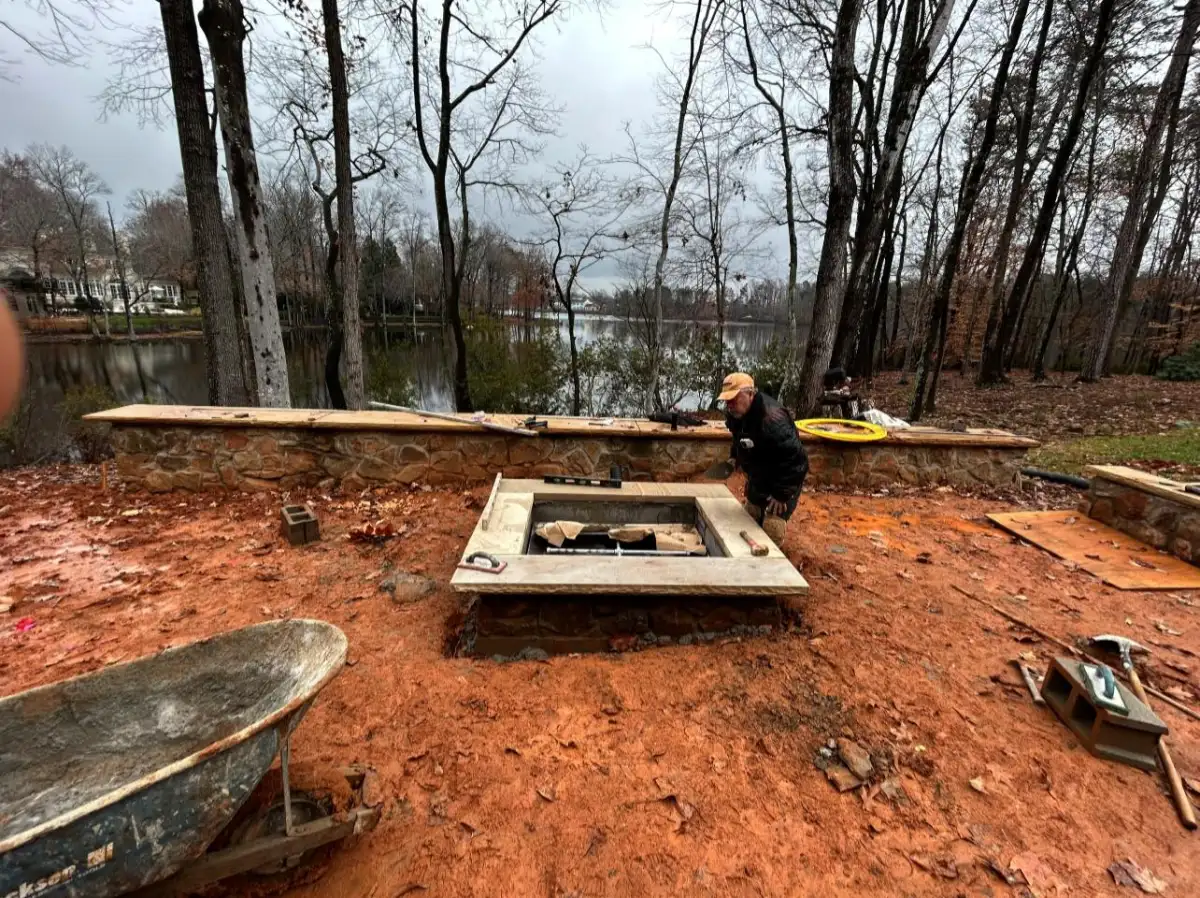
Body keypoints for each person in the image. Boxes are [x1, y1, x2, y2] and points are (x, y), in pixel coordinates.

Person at [717, 372, 808, 545]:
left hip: (783, 477)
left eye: (734, 398)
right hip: (759, 473)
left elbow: (798, 461)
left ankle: (772, 557)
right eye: (727, 400)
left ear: (751, 394)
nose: (729, 405)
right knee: (750, 516)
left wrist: (781, 494)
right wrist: (735, 457)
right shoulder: (736, 414)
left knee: (772, 528)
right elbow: (739, 438)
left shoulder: (773, 420)